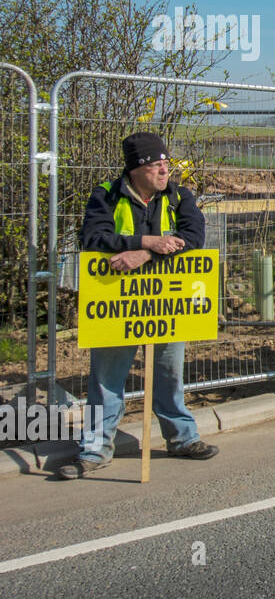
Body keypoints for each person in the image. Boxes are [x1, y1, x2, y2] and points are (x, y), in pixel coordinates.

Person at [59, 132, 218, 479]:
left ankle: (182, 437)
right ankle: (95, 449)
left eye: (166, 164)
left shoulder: (179, 196)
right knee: (106, 379)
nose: (165, 172)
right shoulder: (106, 195)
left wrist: (144, 253)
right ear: (135, 169)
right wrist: (143, 241)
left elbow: (194, 238)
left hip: (166, 305)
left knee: (169, 373)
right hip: (118, 305)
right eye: (156, 166)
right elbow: (93, 237)